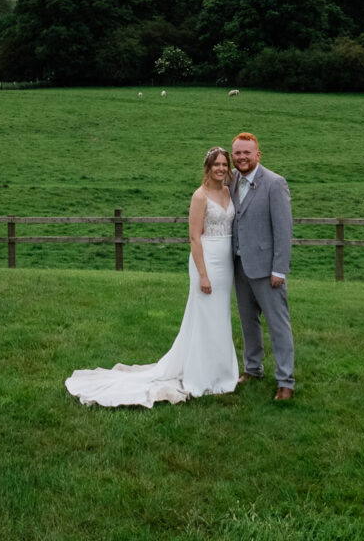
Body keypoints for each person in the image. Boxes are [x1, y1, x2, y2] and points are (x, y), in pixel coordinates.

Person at [64, 147, 239, 407]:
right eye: (216, 164)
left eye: (225, 164)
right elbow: (193, 237)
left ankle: (222, 372)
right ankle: (201, 375)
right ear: (207, 167)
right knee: (203, 316)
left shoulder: (227, 192)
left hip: (226, 263)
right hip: (207, 260)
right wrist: (203, 274)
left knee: (220, 315)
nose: (221, 169)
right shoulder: (200, 196)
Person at [229, 131, 295, 401]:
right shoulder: (232, 181)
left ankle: (285, 381)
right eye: (237, 153)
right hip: (239, 265)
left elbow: (283, 229)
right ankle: (252, 369)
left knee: (278, 325)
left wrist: (279, 269)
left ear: (258, 155)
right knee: (248, 322)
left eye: (247, 152)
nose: (242, 157)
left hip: (267, 270)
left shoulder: (275, 183)